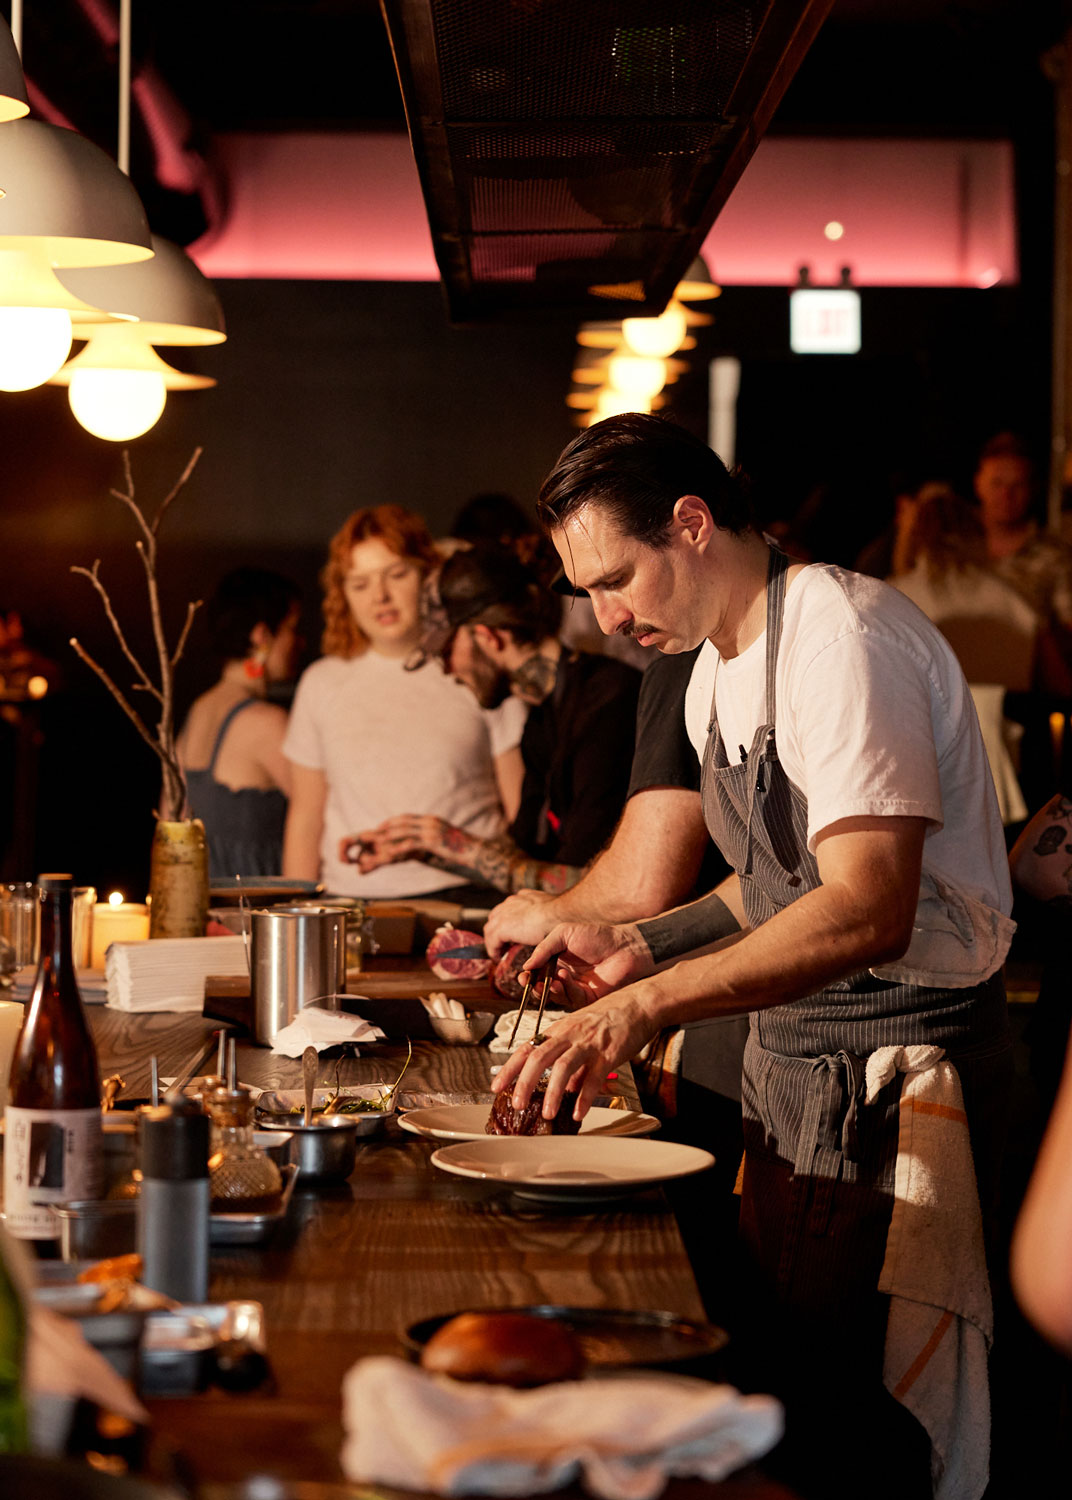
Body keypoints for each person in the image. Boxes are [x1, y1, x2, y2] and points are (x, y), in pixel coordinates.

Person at [494, 413, 1015, 1498]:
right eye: (587, 592)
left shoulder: (838, 635)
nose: (607, 614)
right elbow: (767, 882)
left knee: (858, 1436)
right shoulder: (714, 669)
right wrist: (635, 945)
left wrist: (645, 1011)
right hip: (800, 1084)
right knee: (791, 1405)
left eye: (615, 579)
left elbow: (868, 904)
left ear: (690, 524)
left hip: (897, 1086)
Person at [349, 543, 641, 894]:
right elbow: (530, 864)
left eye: (445, 652)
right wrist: (430, 849)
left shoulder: (608, 701)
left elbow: (589, 885)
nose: (447, 671)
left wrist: (460, 846)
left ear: (487, 636)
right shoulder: (541, 722)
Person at [281, 506, 526, 899]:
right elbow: (306, 819)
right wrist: (296, 910)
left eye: (396, 575)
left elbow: (520, 808)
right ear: (342, 594)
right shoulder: (321, 683)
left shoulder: (477, 666)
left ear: (429, 573)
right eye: (359, 584)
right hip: (351, 905)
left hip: (471, 897)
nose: (380, 596)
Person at [178, 567, 302, 879]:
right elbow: (326, 816)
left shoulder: (199, 710)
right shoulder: (267, 723)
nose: (299, 642)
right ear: (262, 636)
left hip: (202, 905)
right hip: (256, 914)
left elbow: (171, 817)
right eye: (292, 628)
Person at [973, 431, 1072, 675]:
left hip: (1026, 687)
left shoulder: (1055, 556)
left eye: (1017, 485)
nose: (1006, 495)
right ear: (978, 484)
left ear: (1032, 489)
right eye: (997, 483)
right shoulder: (953, 549)